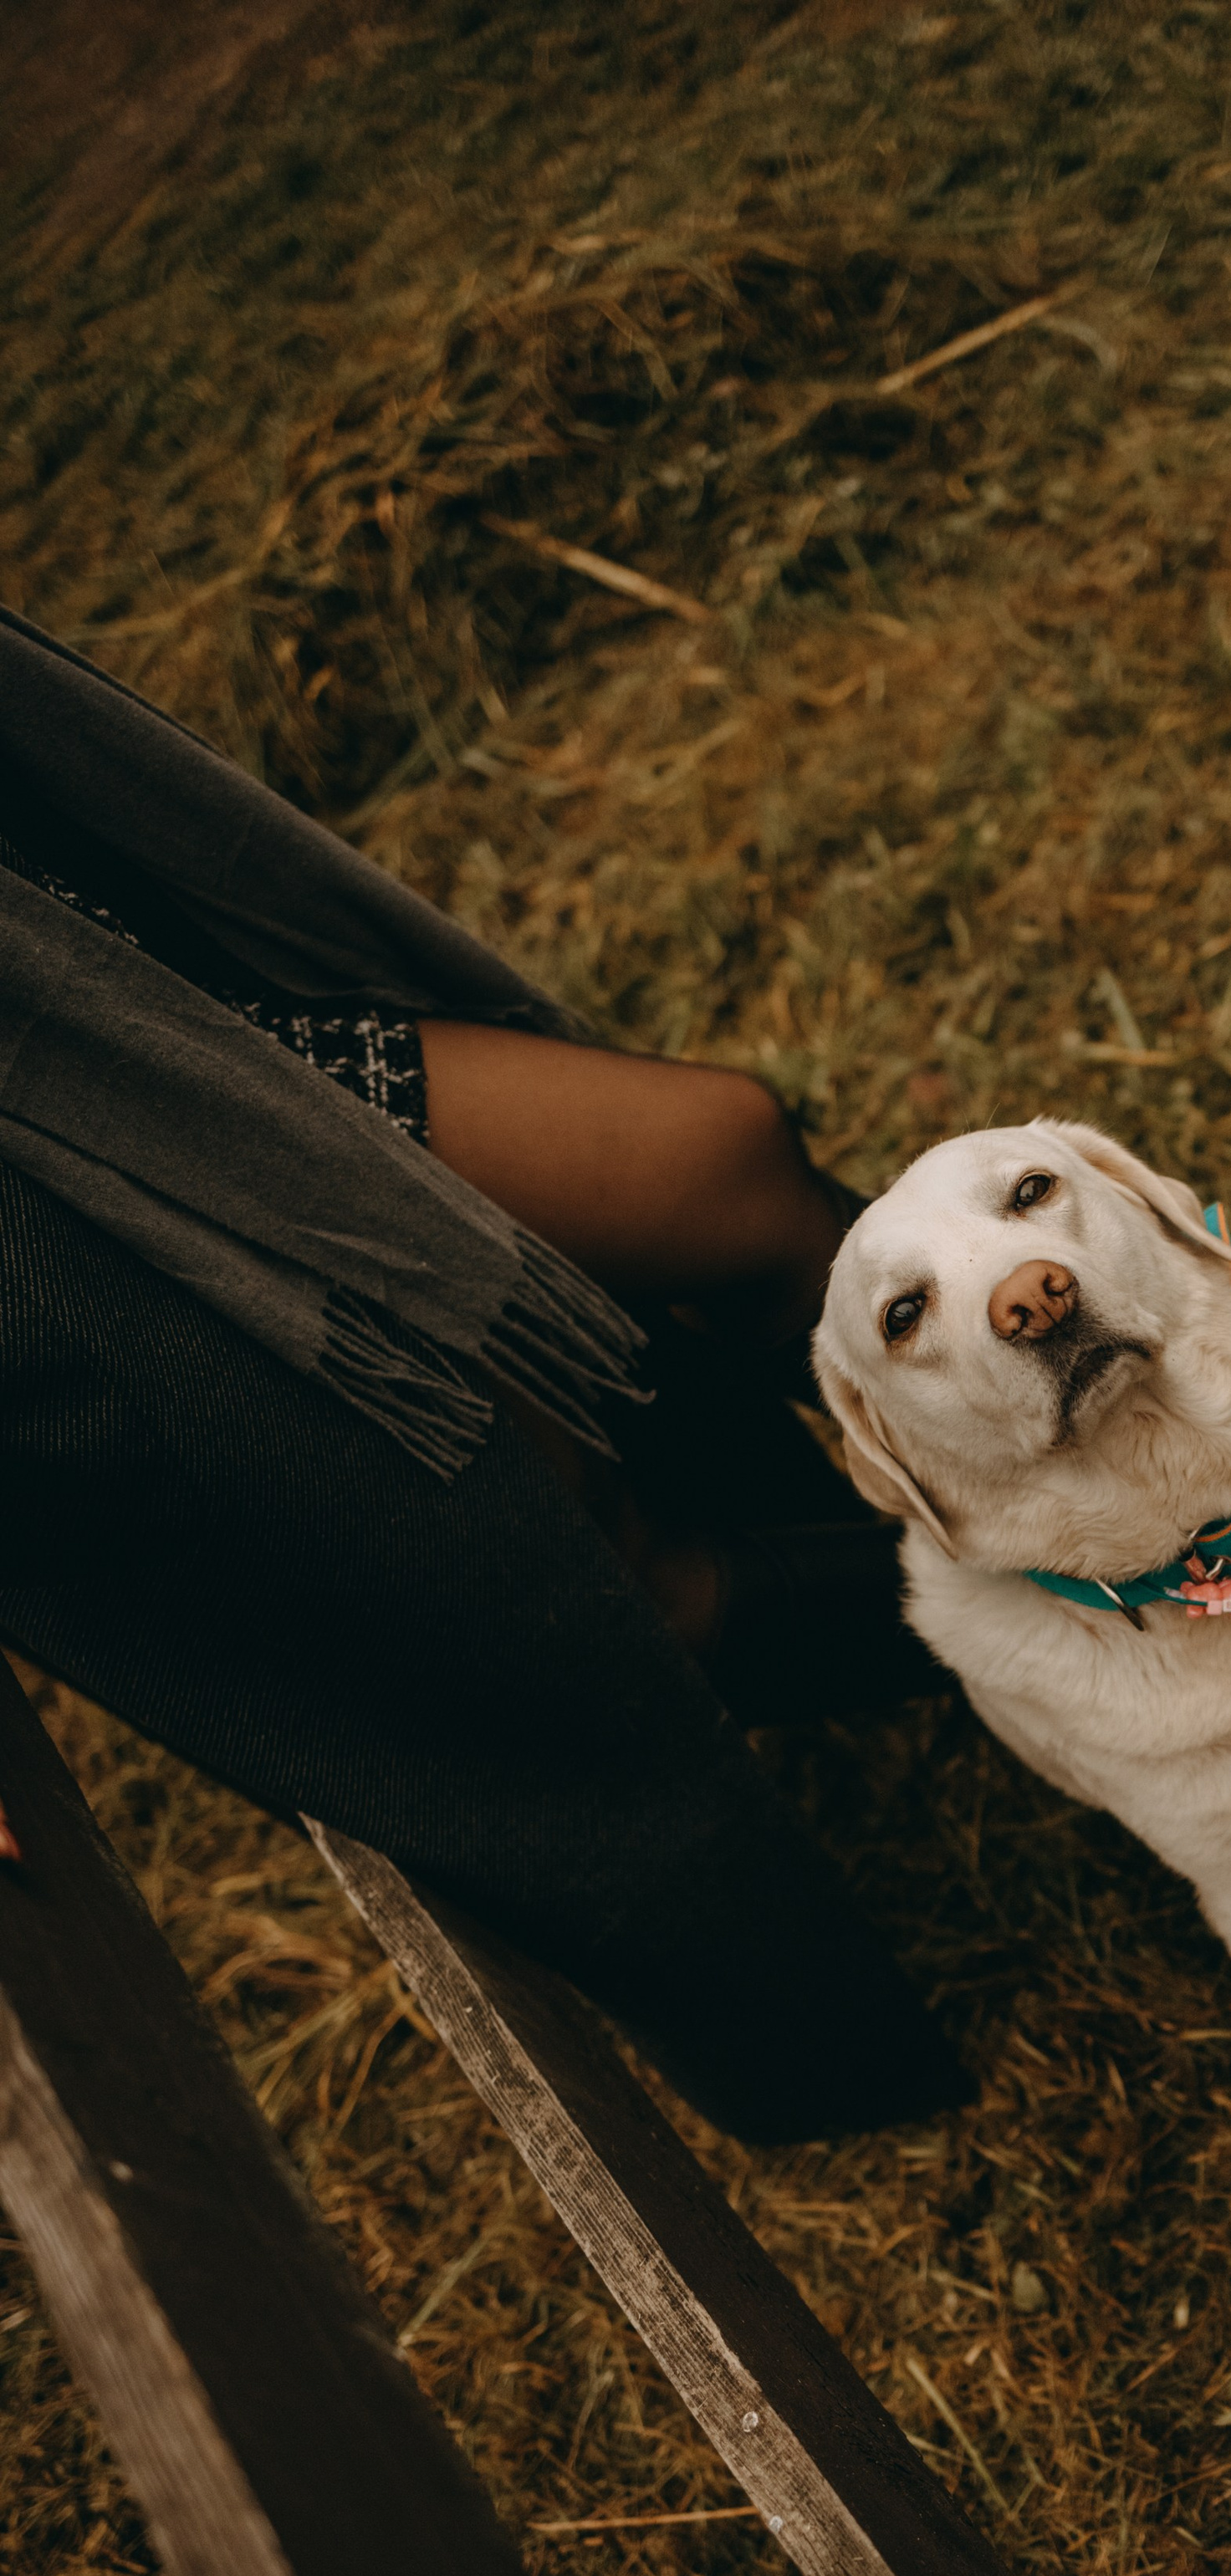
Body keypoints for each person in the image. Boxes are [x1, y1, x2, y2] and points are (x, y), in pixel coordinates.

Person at [0, 603, 967, 2144]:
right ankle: (1088, 1626)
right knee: (575, 1579)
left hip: (106, 1026)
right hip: (42, 1267)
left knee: (719, 1157)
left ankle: (1182, 1492)